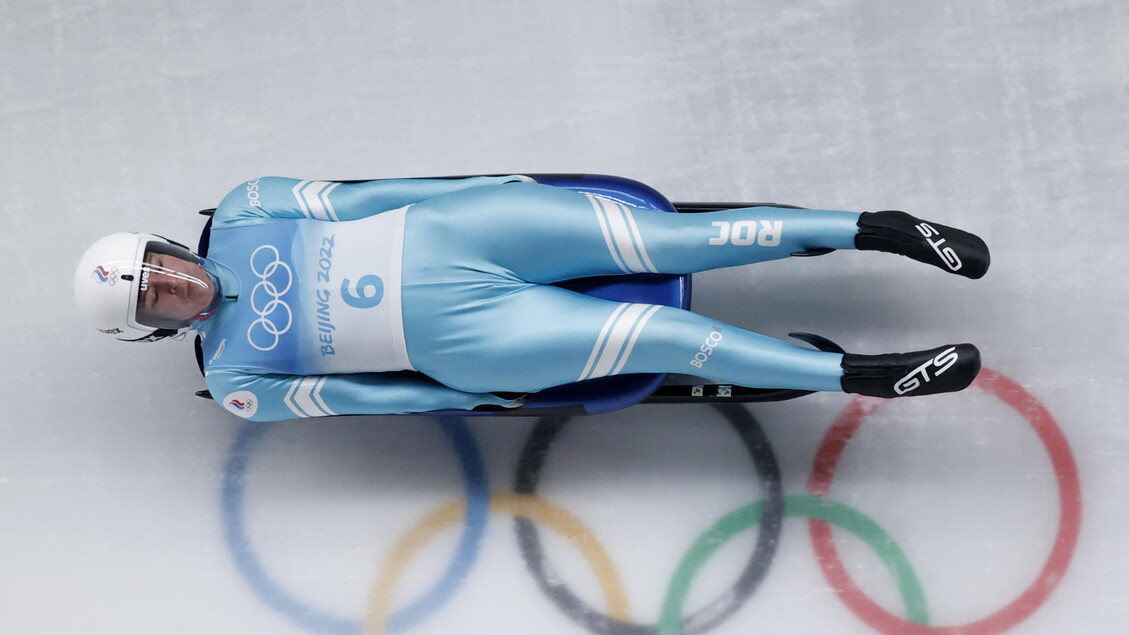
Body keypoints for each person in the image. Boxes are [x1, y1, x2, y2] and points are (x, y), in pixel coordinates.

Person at [74, 175, 989, 421]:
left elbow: (366, 194)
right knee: (658, 333)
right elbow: (364, 398)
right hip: (469, 336)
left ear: (167, 246)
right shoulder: (238, 382)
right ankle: (860, 375)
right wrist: (477, 397)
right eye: (157, 302)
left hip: (464, 231)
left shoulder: (245, 207)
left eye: (160, 267)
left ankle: (877, 227)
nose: (174, 285)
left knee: (672, 239)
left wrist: (493, 187)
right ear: (155, 330)